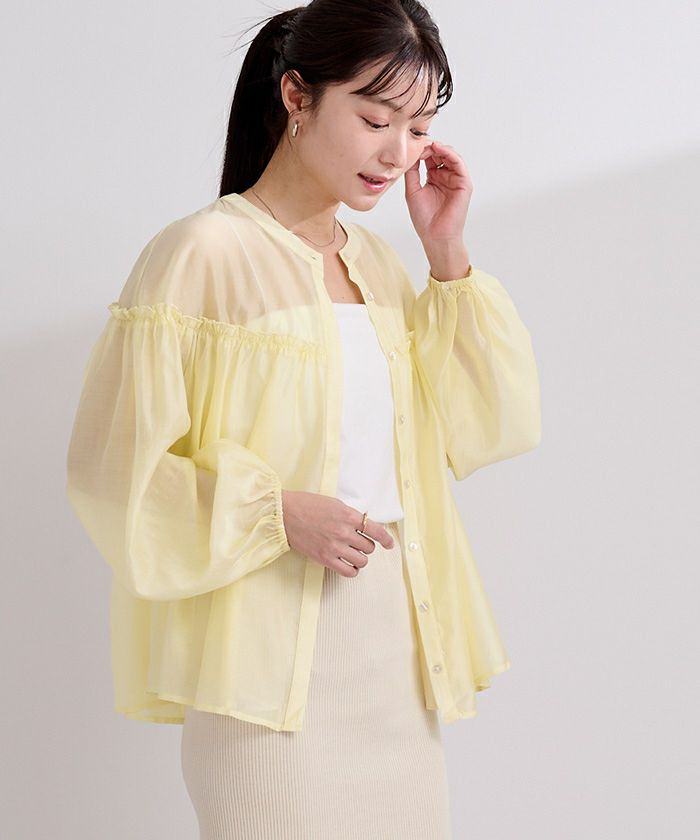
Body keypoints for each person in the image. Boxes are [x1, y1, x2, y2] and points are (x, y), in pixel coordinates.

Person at [65, 1, 542, 837]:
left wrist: (446, 255)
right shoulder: (201, 253)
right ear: (296, 97)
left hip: (397, 659)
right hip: (267, 682)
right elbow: (112, 469)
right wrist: (275, 512)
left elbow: (490, 422)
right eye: (375, 119)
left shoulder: (381, 265)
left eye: (420, 129)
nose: (398, 154)